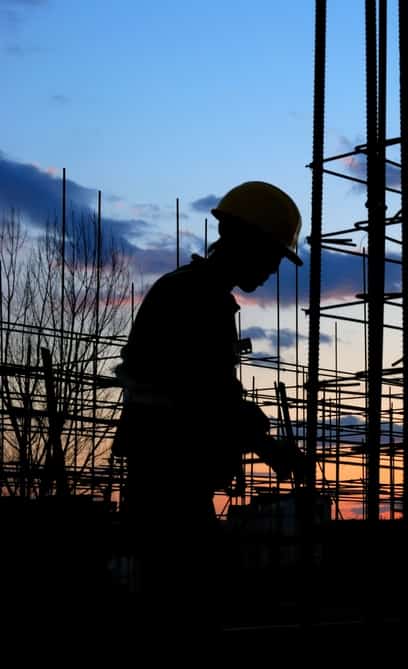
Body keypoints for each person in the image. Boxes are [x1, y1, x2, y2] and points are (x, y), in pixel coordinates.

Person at [111, 181, 306, 635]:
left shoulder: (193, 294)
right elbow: (208, 397)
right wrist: (267, 444)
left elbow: (211, 394)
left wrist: (257, 436)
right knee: (186, 603)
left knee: (184, 598)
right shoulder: (194, 300)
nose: (275, 270)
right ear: (249, 244)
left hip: (170, 479)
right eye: (274, 257)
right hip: (168, 480)